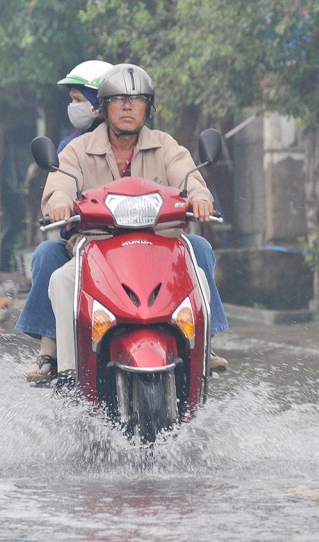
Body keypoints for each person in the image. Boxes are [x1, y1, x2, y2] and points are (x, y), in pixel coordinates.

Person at [32, 63, 230, 381]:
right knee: (62, 280)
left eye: (136, 100)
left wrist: (199, 196)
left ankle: (201, 351)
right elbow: (61, 183)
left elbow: (187, 175)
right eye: (119, 100)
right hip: (98, 253)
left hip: (160, 252)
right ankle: (69, 372)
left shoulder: (165, 146)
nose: (127, 107)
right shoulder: (78, 150)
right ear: (104, 106)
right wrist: (59, 203)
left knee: (199, 252)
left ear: (147, 108)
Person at [17, 60, 113, 382]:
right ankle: (51, 351)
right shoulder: (71, 147)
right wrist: (63, 211)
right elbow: (60, 187)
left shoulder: (148, 143)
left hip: (138, 242)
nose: (73, 107)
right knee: (47, 255)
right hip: (84, 242)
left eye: (78, 99)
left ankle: (201, 341)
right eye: (72, 100)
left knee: (195, 248)